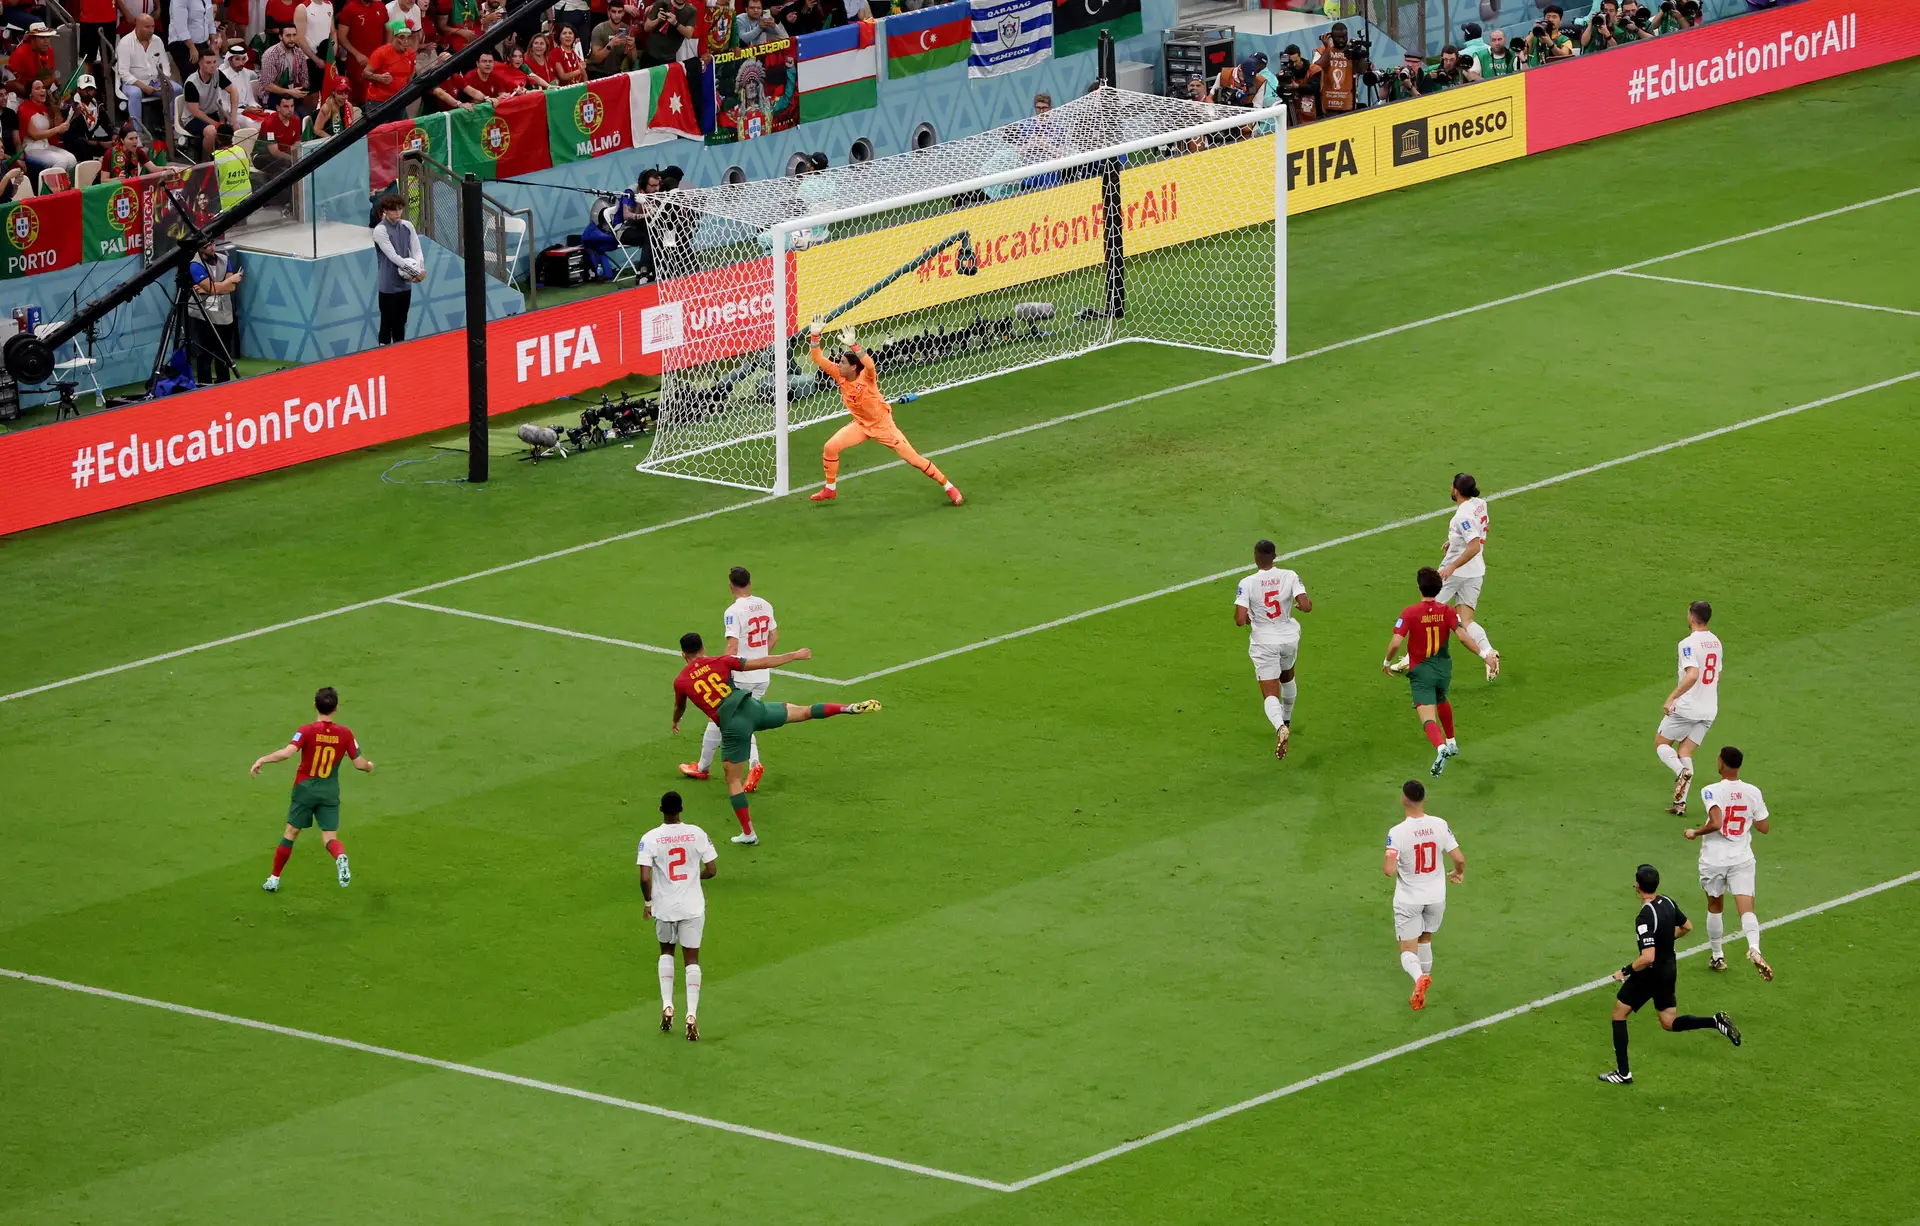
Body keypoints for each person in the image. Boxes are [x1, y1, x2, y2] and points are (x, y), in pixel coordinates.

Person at [670, 632, 879, 845]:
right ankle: (848, 708)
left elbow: (680, 706)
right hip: (753, 709)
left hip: (733, 727)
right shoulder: (721, 661)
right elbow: (763, 662)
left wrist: (675, 721)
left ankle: (748, 834)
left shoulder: (681, 681)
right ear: (703, 648)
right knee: (804, 711)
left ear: (683, 655)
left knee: (733, 780)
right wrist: (795, 655)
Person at [1599, 864, 1740, 1085]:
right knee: (1668, 1021)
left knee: (1619, 1014)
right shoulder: (1668, 902)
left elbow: (1647, 958)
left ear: (1637, 885)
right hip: (1669, 969)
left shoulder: (1645, 916)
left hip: (1650, 974)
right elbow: (1687, 927)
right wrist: (1664, 939)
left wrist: (1625, 971)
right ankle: (1714, 1021)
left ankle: (1623, 1072)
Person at [806, 323, 963, 506]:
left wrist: (854, 345)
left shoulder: (867, 377)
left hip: (883, 426)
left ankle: (949, 487)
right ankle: (830, 489)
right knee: (830, 447)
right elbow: (816, 357)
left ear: (854, 367)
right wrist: (815, 335)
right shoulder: (839, 375)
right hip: (861, 425)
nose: (838, 365)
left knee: (914, 460)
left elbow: (870, 365)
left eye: (842, 363)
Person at [249, 685, 373, 892]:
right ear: (336, 708)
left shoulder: (306, 730)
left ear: (315, 705)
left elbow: (287, 753)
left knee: (291, 832)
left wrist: (263, 759)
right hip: (329, 791)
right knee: (330, 837)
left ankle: (274, 878)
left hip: (305, 789)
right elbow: (360, 764)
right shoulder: (345, 733)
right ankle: (340, 856)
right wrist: (370, 767)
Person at [1381, 567, 1498, 778]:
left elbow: (1396, 642)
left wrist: (1387, 661)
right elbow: (1462, 637)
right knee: (1441, 697)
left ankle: (1440, 747)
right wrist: (1485, 656)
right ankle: (1452, 742)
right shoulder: (1448, 611)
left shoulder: (1410, 612)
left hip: (1421, 671)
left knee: (1426, 716)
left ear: (1419, 588)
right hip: (1444, 669)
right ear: (1439, 588)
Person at [681, 566, 776, 788]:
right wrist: (759, 658)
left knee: (732, 721)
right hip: (762, 675)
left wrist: (724, 668)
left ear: (730, 585)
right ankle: (703, 767)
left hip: (741, 676)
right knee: (724, 721)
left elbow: (732, 646)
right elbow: (774, 636)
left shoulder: (734, 611)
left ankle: (752, 764)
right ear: (749, 582)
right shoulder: (765, 605)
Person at [1685, 745, 1774, 980]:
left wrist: (1696, 831)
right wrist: (1748, 814)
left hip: (1714, 859)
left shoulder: (1711, 790)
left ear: (1721, 763)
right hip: (1742, 858)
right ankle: (1754, 948)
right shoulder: (1753, 791)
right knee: (1746, 908)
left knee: (1715, 906)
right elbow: (1764, 827)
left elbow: (1715, 822)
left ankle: (1717, 956)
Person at [638, 790, 717, 1041]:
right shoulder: (697, 833)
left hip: (664, 907)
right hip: (693, 906)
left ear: (661, 810)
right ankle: (691, 1014)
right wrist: (695, 877)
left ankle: (667, 1004)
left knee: (666, 951)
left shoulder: (650, 838)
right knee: (692, 959)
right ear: (681, 810)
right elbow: (712, 870)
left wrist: (648, 901)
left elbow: (644, 877)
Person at [1383, 779, 1463, 1011]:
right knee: (1425, 939)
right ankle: (1423, 983)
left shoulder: (1397, 832)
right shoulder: (1439, 824)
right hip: (1436, 897)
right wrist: (1458, 873)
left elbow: (1389, 870)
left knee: (1408, 950)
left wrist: (1396, 863)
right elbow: (1459, 858)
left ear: (1403, 799)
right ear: (1424, 798)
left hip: (1409, 899)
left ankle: (1419, 978)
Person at [1233, 539, 1312, 760]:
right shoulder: (1290, 575)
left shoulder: (1247, 582)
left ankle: (1280, 727)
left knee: (1270, 692)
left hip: (1264, 641)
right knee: (1287, 676)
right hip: (1288, 637)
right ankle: (1287, 719)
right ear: (1275, 556)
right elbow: (1306, 605)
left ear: (1256, 556)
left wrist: (1249, 620)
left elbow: (1240, 619)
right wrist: (1296, 606)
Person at [1655, 600, 1721, 815]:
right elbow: (1717, 676)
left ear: (1691, 616)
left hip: (1687, 707)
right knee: (1685, 751)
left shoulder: (1687, 643)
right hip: (1709, 709)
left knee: (1661, 744)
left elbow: (1692, 674)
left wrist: (1671, 698)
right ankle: (1680, 804)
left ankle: (1680, 771)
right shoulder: (1716, 643)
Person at [1435, 472, 1497, 679]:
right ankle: (1489, 653)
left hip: (1456, 573)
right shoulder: (1480, 504)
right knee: (1466, 620)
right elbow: (1474, 530)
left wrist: (1451, 567)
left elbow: (1474, 547)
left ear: (1456, 490)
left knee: (1428, 610)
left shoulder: (1461, 516)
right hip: (1476, 571)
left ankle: (1415, 658)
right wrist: (1453, 541)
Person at [370, 192, 424, 342]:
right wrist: (415, 272)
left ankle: (400, 355)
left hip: (405, 285)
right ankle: (384, 356)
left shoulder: (407, 226)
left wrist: (420, 269)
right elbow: (393, 257)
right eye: (394, 209)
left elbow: (416, 249)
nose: (398, 212)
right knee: (387, 323)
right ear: (385, 210)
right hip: (388, 285)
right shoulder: (380, 230)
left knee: (401, 322)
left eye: (400, 208)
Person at [187, 238, 243, 381]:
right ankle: (204, 385)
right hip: (203, 315)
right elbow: (213, 289)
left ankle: (223, 383)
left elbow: (231, 287)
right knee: (204, 354)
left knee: (223, 354)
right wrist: (228, 281)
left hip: (224, 313)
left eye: (212, 244)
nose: (212, 248)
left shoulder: (224, 259)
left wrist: (212, 288)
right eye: (207, 246)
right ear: (200, 249)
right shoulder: (195, 265)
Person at [117, 14, 177, 141]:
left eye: (153, 27)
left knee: (176, 89)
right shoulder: (125, 43)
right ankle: (137, 134)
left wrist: (164, 81)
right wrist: (144, 87)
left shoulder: (157, 40)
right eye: (147, 27)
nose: (151, 30)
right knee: (135, 94)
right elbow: (123, 73)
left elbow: (165, 65)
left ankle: (171, 127)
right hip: (134, 82)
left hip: (155, 81)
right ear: (137, 27)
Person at [18, 78, 79, 180]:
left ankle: (66, 189)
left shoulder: (46, 109)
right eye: (38, 88)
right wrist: (57, 129)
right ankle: (47, 191)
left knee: (72, 159)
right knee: (61, 161)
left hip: (46, 146)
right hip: (32, 149)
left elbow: (51, 134)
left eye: (43, 88)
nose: (43, 90)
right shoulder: (23, 109)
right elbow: (35, 135)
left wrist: (60, 129)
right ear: (30, 93)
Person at [184, 49, 237, 157]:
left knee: (235, 127)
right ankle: (211, 158)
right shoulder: (191, 83)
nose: (213, 66)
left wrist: (233, 116)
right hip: (192, 118)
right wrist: (215, 123)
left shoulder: (217, 73)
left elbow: (233, 91)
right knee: (211, 131)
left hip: (211, 112)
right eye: (208, 63)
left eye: (214, 62)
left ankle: (230, 157)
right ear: (200, 64)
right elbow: (195, 112)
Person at [1308, 22, 1368, 116]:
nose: (1341, 40)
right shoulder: (1322, 50)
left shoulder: (1352, 50)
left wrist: (1359, 55)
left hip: (1348, 103)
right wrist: (1328, 48)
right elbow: (1316, 68)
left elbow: (1362, 70)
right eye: (1338, 37)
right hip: (1328, 104)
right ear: (1331, 36)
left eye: (1344, 37)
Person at [336, 0, 390, 100]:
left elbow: (388, 29)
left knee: (379, 96)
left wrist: (386, 50)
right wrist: (357, 54)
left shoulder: (380, 6)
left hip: (378, 61)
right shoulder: (350, 9)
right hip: (358, 62)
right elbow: (341, 37)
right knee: (357, 97)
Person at [259, 23, 313, 109]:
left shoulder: (299, 53)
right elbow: (267, 85)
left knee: (306, 116)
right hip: (272, 96)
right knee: (293, 115)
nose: (292, 39)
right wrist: (290, 92)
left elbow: (304, 78)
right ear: (280, 37)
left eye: (294, 35)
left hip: (292, 94)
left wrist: (303, 90)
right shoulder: (270, 55)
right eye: (288, 35)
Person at [64, 75, 115, 164]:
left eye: (91, 89)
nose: (88, 92)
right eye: (85, 89)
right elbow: (72, 135)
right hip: (74, 145)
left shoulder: (97, 105)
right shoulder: (70, 105)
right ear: (78, 89)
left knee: (116, 143)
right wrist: (101, 144)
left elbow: (108, 124)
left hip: (91, 141)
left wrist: (114, 135)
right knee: (80, 143)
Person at [362, 20, 414, 104]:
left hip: (399, 100)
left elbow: (409, 77)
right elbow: (365, 73)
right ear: (394, 37)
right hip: (378, 101)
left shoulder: (411, 53)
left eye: (408, 37)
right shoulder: (381, 53)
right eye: (402, 37)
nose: (406, 41)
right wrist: (379, 78)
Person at [8, 22, 58, 101]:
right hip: (20, 97)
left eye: (48, 37)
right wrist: (31, 92)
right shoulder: (20, 53)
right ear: (32, 39)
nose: (46, 41)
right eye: (42, 38)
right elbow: (9, 82)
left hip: (41, 93)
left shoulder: (49, 50)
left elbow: (50, 74)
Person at [255, 91, 303, 170]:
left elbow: (297, 142)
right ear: (278, 108)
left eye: (292, 106)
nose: (290, 110)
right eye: (286, 106)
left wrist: (297, 157)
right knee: (286, 165)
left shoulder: (296, 120)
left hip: (283, 154)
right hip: (262, 156)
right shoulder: (270, 123)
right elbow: (274, 152)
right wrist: (293, 159)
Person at [589, 3, 637, 75]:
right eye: (614, 12)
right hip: (597, 71)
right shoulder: (599, 29)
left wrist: (632, 47)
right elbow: (597, 59)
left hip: (616, 73)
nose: (617, 15)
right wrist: (610, 45)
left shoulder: (627, 29)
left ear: (623, 13)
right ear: (609, 13)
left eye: (620, 12)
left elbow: (632, 61)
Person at [222, 39, 264, 109]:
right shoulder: (224, 76)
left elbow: (250, 100)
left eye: (243, 59)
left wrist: (255, 108)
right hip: (235, 113)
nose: (241, 63)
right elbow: (225, 106)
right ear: (229, 60)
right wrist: (245, 110)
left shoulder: (246, 73)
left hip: (248, 108)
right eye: (237, 59)